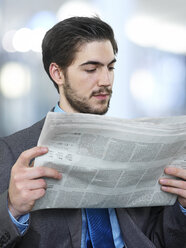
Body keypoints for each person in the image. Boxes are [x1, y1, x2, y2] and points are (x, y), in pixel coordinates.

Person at [0, 16, 186, 248]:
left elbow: (161, 239)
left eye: (110, 67)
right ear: (58, 73)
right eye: (91, 69)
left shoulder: (138, 142)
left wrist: (183, 207)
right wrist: (12, 208)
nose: (106, 80)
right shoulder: (12, 151)